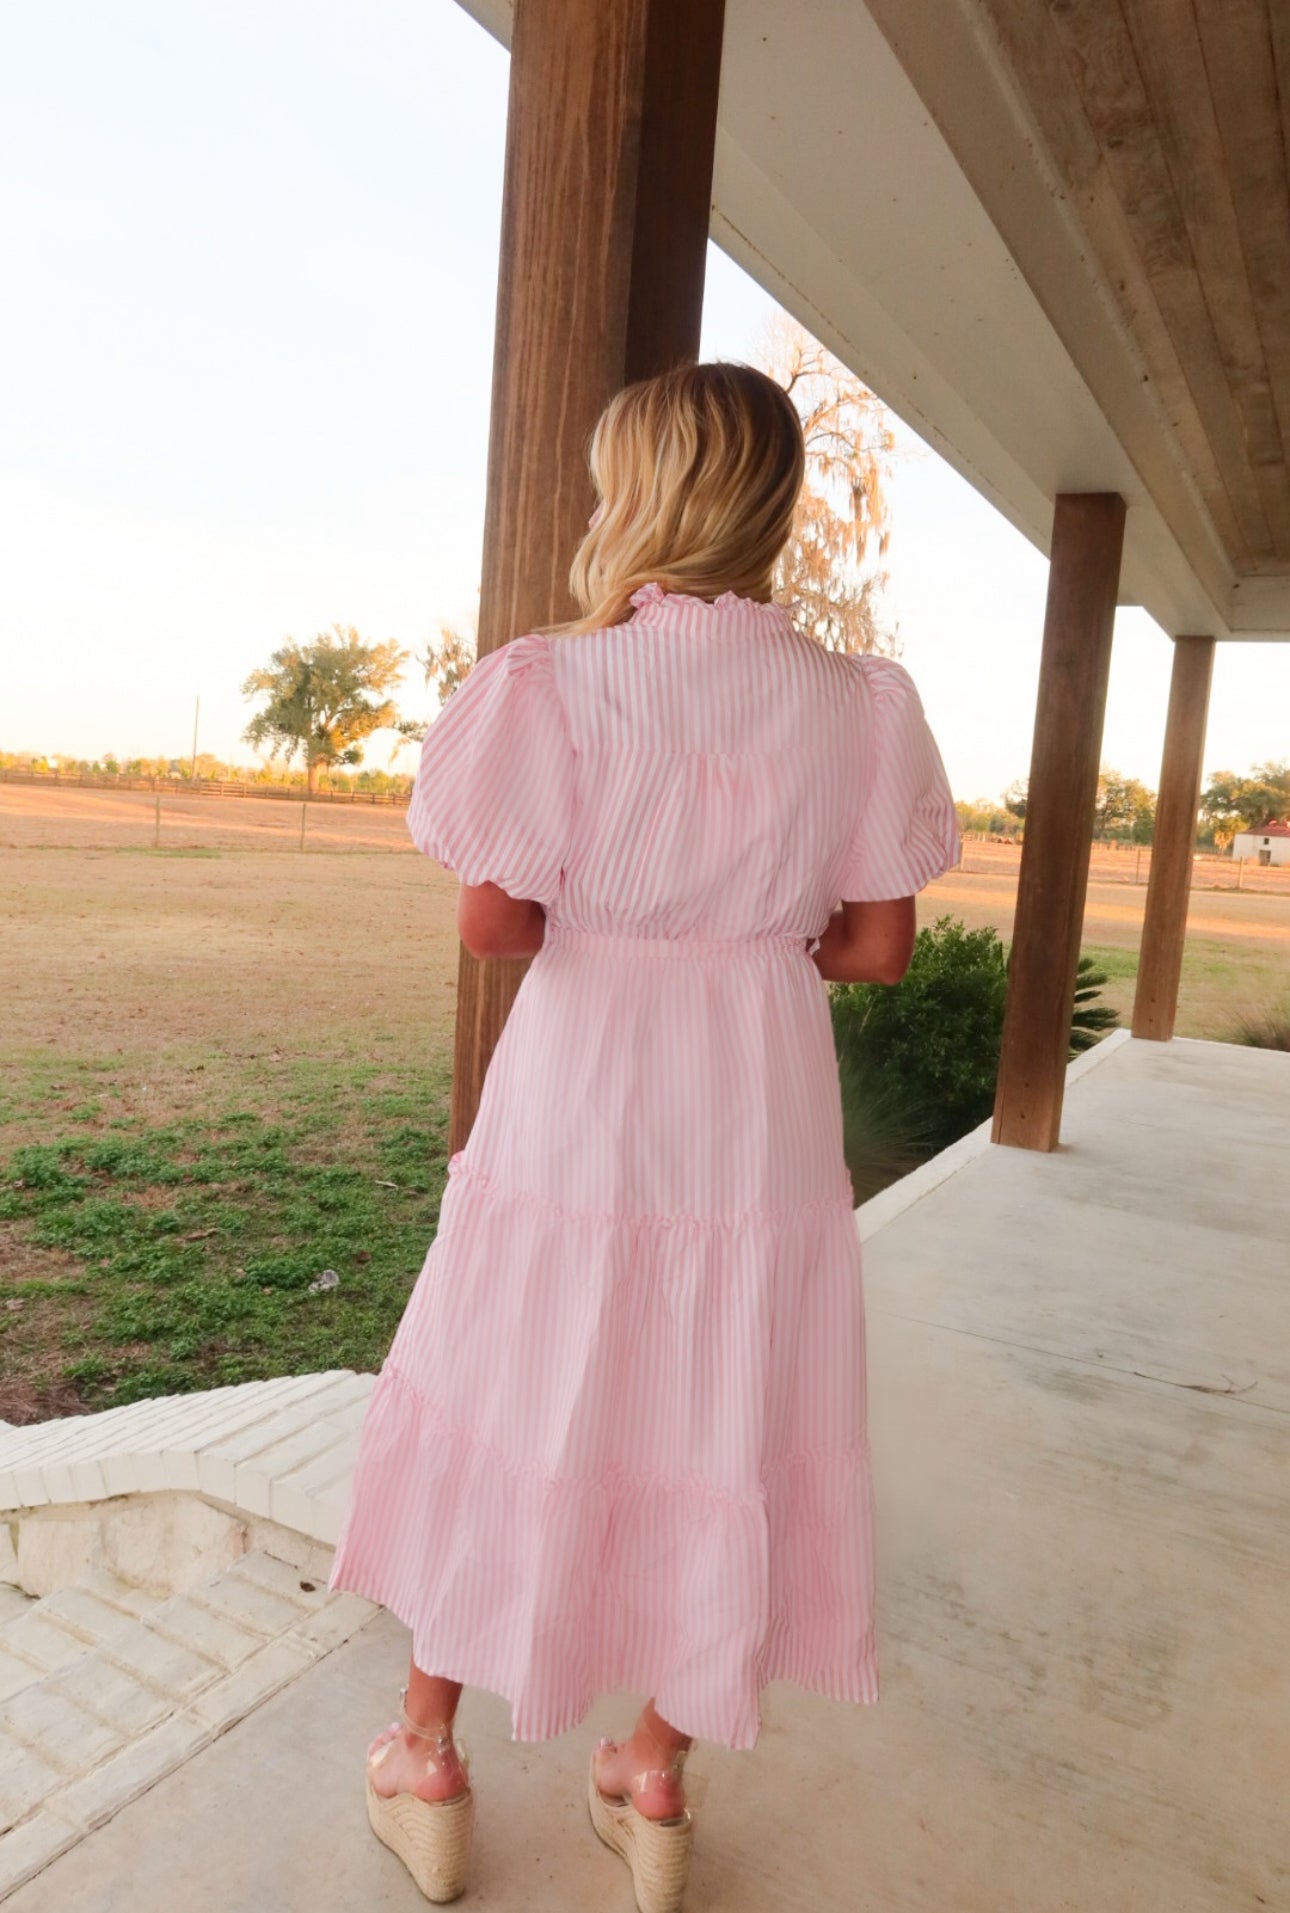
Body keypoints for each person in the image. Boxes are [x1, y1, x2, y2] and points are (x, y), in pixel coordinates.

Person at [326, 360, 961, 1910]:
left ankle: (427, 1754)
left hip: (585, 1087)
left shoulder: (559, 682)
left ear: (646, 495)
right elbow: (877, 945)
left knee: (512, 1373)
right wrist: (742, 944)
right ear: (768, 505)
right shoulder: (854, 702)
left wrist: (631, 918)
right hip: (755, 1098)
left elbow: (495, 922)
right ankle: (654, 1772)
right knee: (724, 1400)